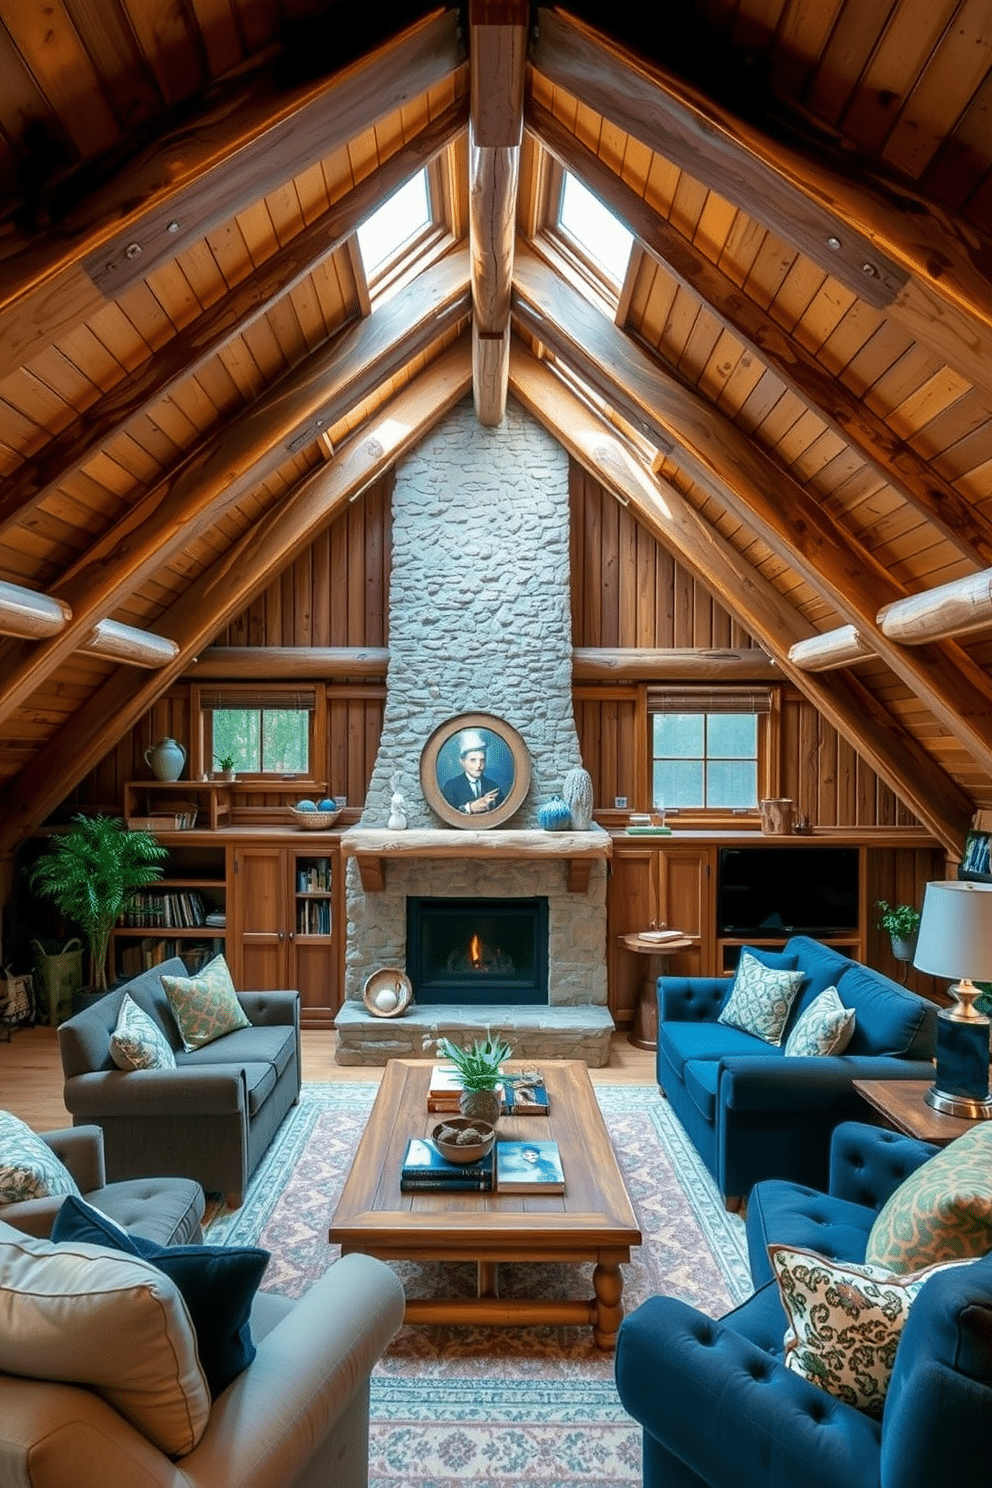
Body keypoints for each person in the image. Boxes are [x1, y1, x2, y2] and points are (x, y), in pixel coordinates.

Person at [441, 729, 503, 814]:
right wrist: (470, 808)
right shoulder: (451, 786)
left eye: (482, 760)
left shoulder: (493, 786)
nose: (478, 766)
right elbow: (446, 813)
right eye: (473, 760)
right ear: (462, 761)